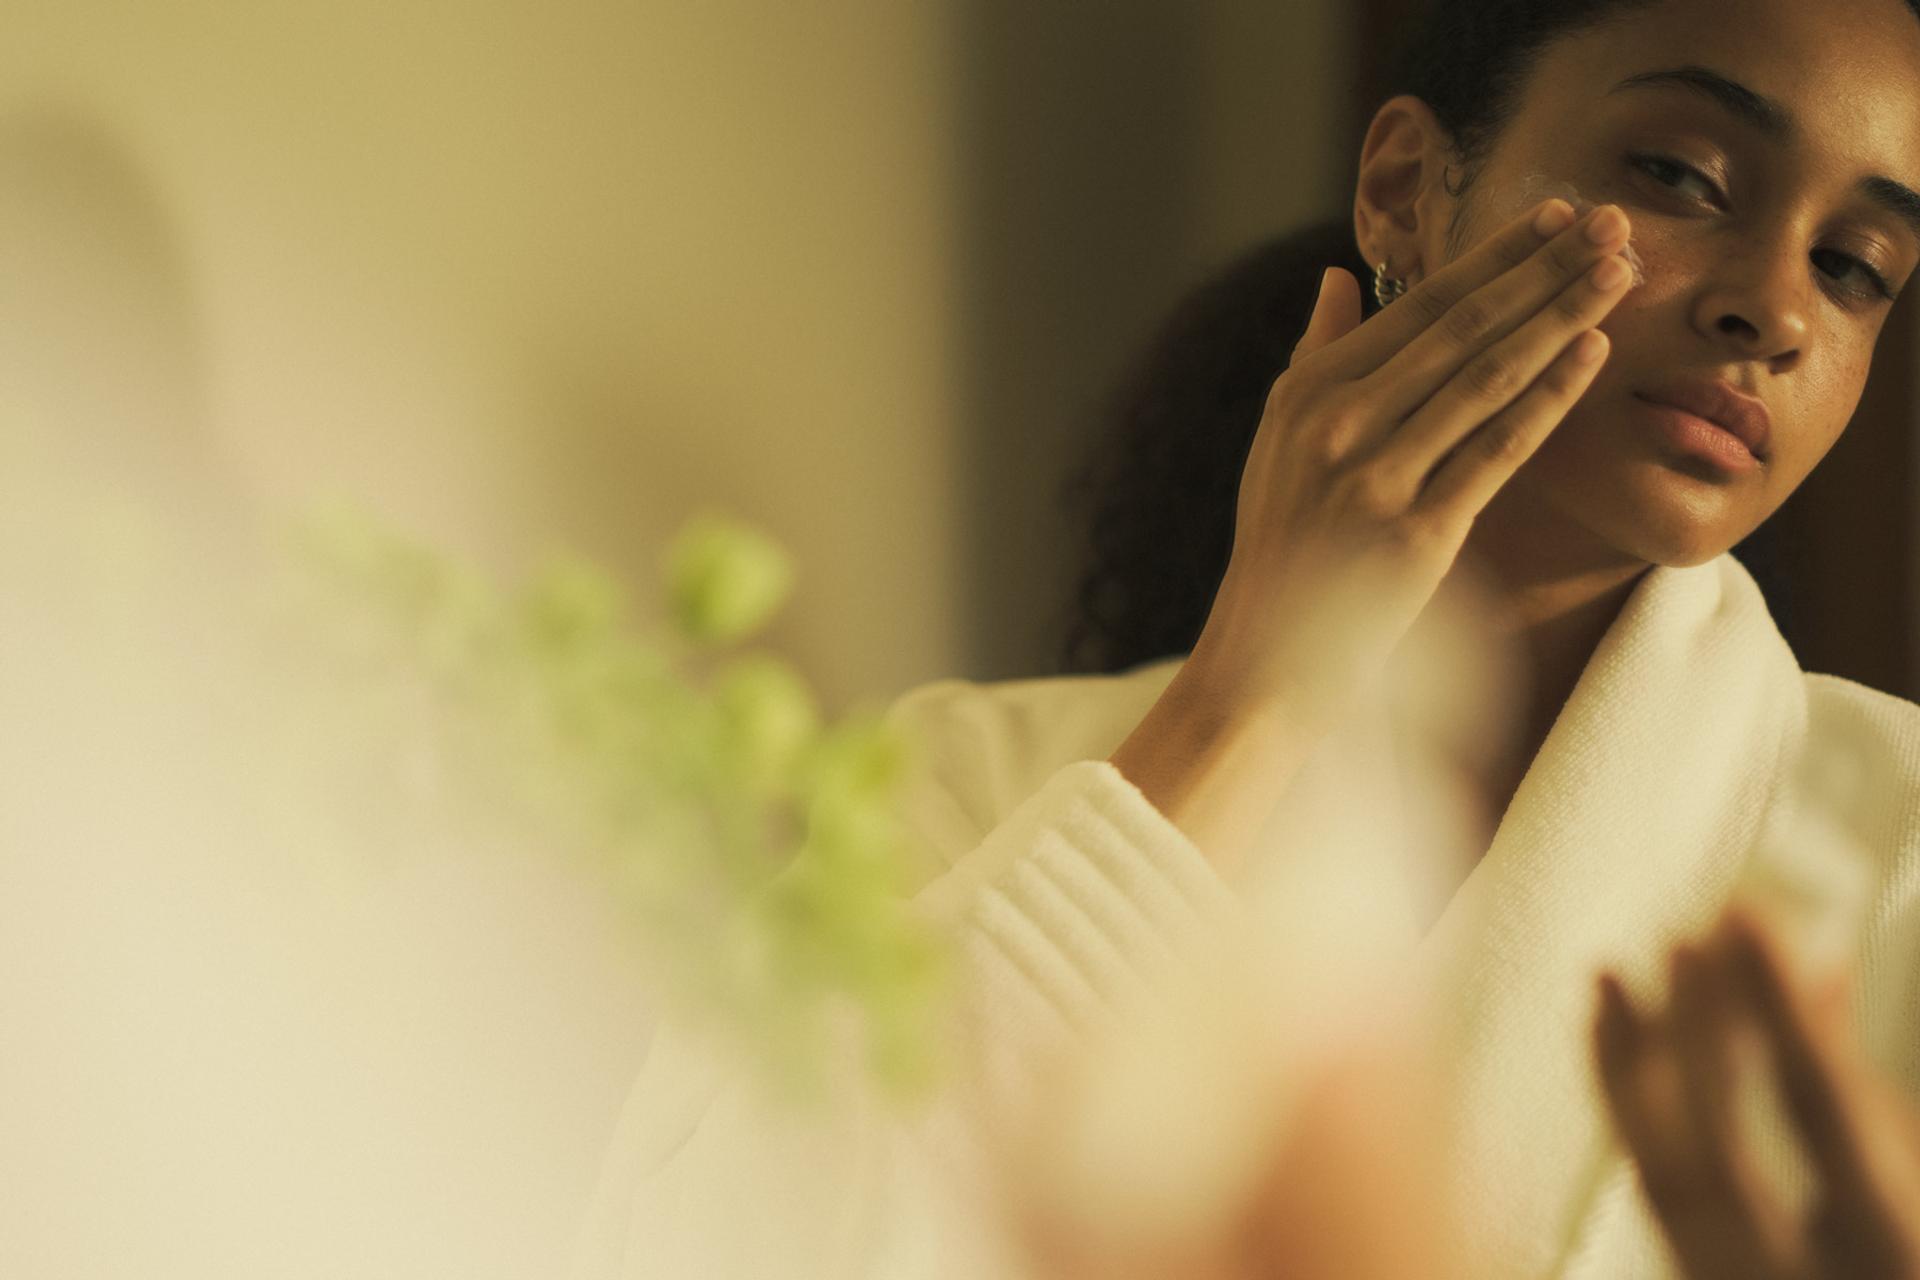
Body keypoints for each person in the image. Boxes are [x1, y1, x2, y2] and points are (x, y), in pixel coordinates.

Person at [574, 0, 1920, 1275]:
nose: (1778, 310)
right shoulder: (953, 776)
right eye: (1684, 175)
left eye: (1857, 268)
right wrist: (1252, 691)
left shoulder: (1899, 844)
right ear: (1405, 187)